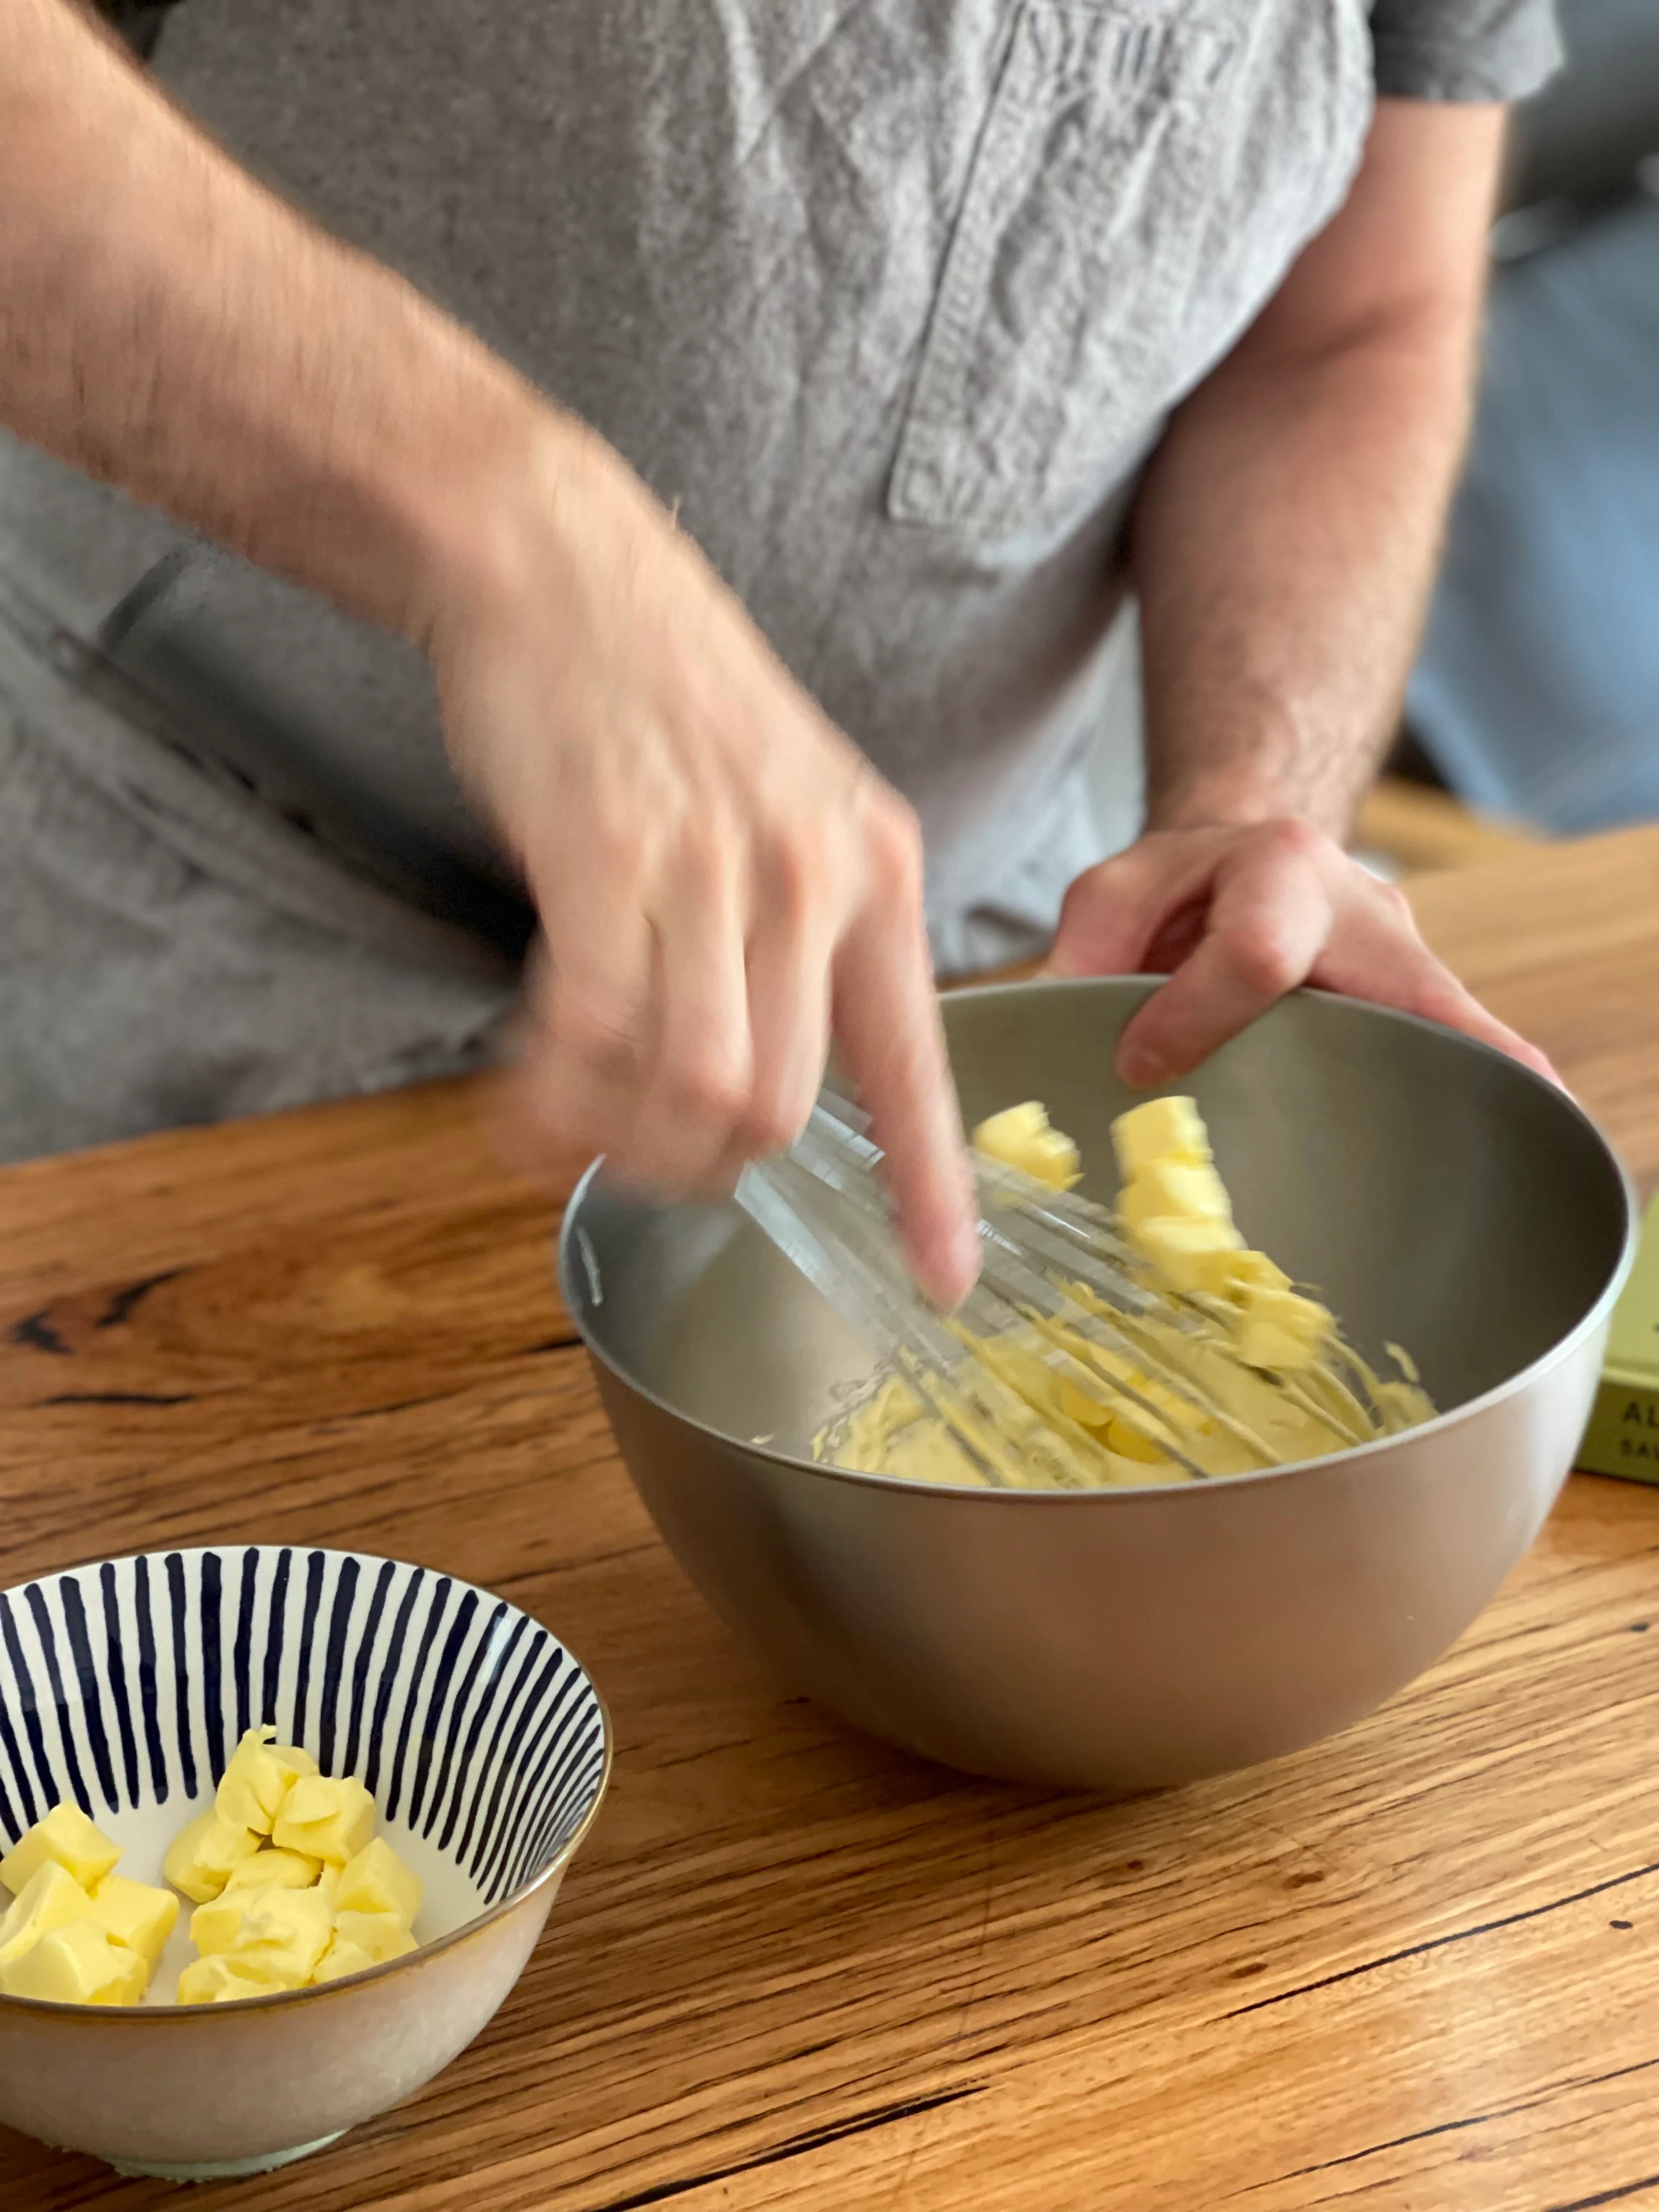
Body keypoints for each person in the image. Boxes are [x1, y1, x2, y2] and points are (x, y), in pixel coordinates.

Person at [0, 0, 1558, 1305]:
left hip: (936, 1008)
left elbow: (1356, 316)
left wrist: (1243, 793)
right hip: (146, 959)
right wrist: (509, 524)